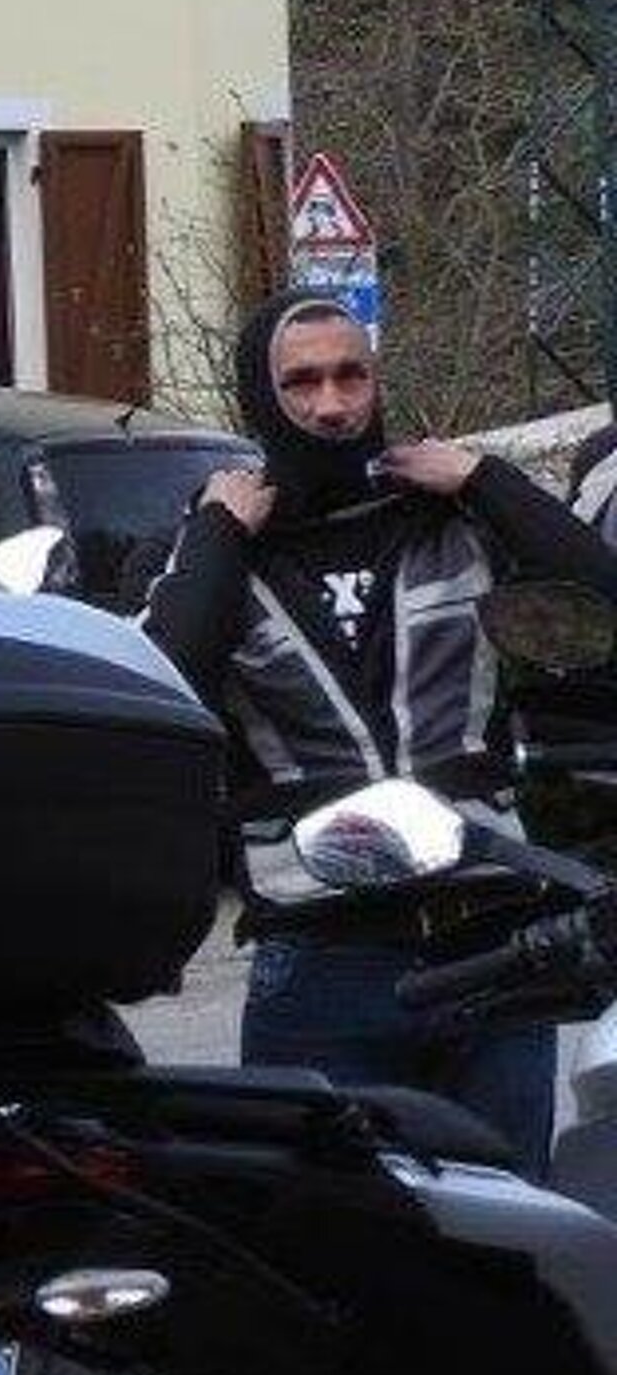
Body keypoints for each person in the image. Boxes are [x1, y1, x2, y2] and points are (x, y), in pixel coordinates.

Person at [137, 288, 617, 1174]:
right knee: (336, 1241)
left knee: (512, 1236)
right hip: (321, 961)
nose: (331, 405)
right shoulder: (215, 551)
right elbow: (164, 688)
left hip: (493, 943)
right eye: (301, 382)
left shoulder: (460, 519)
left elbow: (600, 599)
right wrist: (214, 533)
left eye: (349, 375)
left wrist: (486, 479)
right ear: (259, 397)